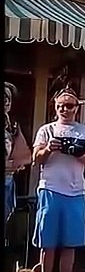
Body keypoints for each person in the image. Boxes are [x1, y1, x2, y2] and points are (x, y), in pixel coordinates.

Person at [31, 88, 85, 272]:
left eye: (69, 106)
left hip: (76, 192)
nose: (64, 109)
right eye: (60, 106)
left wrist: (78, 153)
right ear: (55, 107)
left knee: (70, 244)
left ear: (77, 108)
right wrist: (48, 149)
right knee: (48, 243)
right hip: (50, 189)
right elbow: (36, 159)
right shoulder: (46, 130)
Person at [5, 82, 32, 227]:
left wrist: (15, 163)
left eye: (8, 98)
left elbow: (27, 156)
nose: (6, 101)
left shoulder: (13, 125)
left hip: (7, 182)